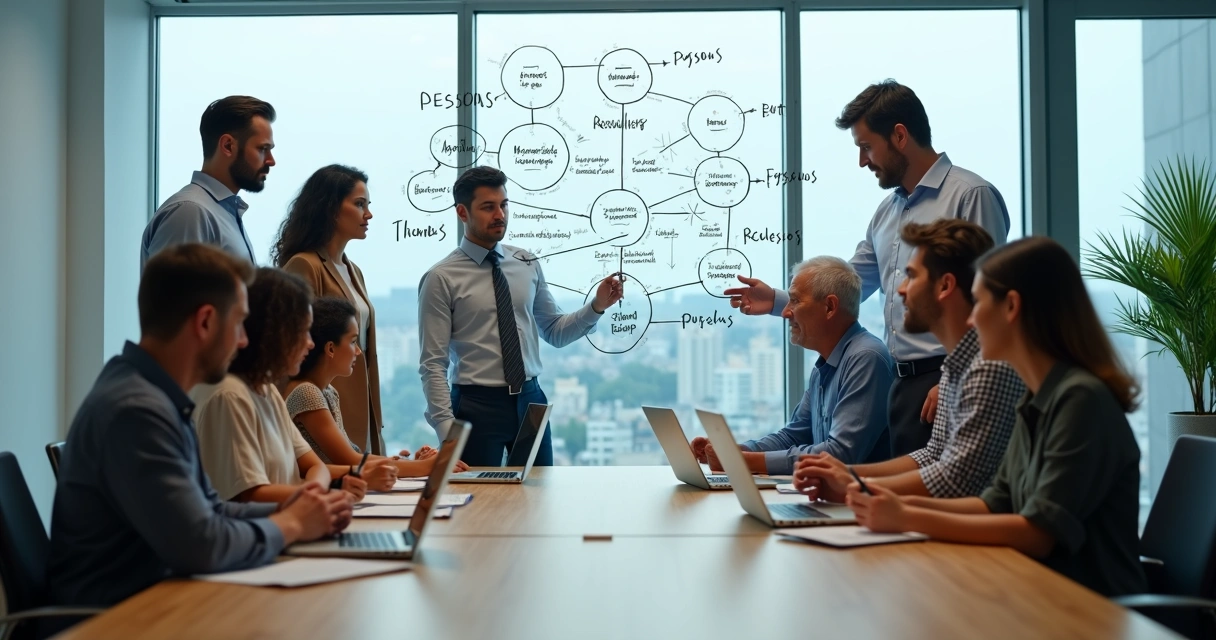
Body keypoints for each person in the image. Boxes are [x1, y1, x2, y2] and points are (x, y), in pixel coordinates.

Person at [47, 244, 352, 609]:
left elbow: (212, 510)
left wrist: (302, 509)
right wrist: (293, 524)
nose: (244, 340)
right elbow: (202, 545)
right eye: (239, 322)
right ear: (206, 322)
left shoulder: (154, 395)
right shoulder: (137, 410)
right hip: (114, 619)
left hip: (155, 601)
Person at [844, 236, 1146, 598]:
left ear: (1011, 307)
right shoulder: (1038, 397)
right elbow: (994, 502)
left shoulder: (1080, 399)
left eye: (980, 302)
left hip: (1087, 609)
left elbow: (1037, 534)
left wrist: (906, 516)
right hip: (1036, 593)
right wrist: (888, 501)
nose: (971, 318)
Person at [724, 80, 1010, 457]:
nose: (863, 161)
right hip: (904, 387)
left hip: (945, 379)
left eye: (866, 147)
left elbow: (991, 298)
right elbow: (850, 283)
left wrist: (958, 377)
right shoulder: (887, 212)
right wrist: (780, 301)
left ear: (900, 136)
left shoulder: (970, 195)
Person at [792, 220, 1023, 500]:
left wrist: (854, 485)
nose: (900, 290)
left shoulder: (988, 368)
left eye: (911, 276)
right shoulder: (956, 365)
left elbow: (957, 479)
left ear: (945, 286)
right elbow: (932, 455)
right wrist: (849, 476)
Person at [418, 166, 625, 466]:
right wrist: (447, 433)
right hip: (475, 406)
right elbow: (433, 365)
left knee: (539, 499)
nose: (500, 214)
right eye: (488, 207)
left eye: (503, 205)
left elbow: (553, 330)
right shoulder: (441, 278)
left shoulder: (526, 262)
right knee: (475, 506)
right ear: (462, 213)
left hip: (530, 400)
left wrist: (596, 306)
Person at [192, 267, 397, 500]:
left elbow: (313, 466)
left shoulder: (265, 390)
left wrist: (324, 489)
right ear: (273, 333)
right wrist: (323, 492)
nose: (310, 344)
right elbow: (246, 495)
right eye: (302, 332)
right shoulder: (229, 396)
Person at [691, 256, 894, 474]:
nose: (786, 312)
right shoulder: (827, 363)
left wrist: (740, 462)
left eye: (795, 301)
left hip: (856, 504)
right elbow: (793, 436)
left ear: (829, 307)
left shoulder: (866, 358)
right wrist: (733, 451)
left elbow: (840, 454)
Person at [274, 164, 393, 457]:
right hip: (320, 405)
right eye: (359, 204)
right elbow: (286, 346)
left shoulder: (354, 271)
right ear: (330, 208)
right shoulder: (304, 264)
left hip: (360, 404)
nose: (368, 214)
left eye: (368, 205)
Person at [285, 297, 469, 476]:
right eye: (352, 341)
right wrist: (426, 467)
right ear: (330, 348)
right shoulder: (306, 393)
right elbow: (350, 460)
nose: (358, 350)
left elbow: (355, 457)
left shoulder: (327, 392)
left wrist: (413, 463)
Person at [141, 96, 276, 270]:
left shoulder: (221, 211)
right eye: (262, 149)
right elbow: (173, 297)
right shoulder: (190, 212)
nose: (271, 161)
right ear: (228, 146)